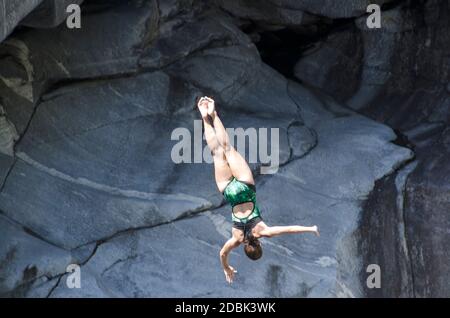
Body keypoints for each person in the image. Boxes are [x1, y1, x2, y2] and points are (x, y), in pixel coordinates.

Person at [197, 96, 320, 284]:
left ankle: (214, 113)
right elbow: (222, 253)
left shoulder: (263, 231)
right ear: (245, 247)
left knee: (227, 148)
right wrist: (226, 267)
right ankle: (205, 117)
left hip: (246, 188)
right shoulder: (236, 239)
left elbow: (289, 229)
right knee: (217, 153)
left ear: (260, 244)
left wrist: (310, 228)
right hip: (229, 191)